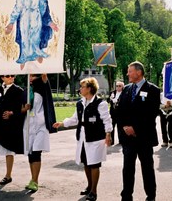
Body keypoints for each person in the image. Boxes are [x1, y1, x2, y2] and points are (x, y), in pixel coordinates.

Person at [53, 77, 112, 201]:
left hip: (96, 137)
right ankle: (89, 186)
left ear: (89, 89)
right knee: (86, 162)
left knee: (94, 163)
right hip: (83, 136)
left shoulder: (100, 103)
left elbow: (107, 119)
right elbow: (75, 119)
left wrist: (108, 134)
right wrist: (62, 123)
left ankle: (94, 191)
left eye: (82, 87)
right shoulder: (80, 103)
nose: (80, 89)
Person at [117, 61, 161, 201]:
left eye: (130, 71)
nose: (127, 74)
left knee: (147, 168)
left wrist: (135, 128)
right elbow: (120, 110)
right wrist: (125, 127)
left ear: (138, 72)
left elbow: (151, 113)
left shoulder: (153, 90)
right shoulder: (127, 89)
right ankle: (126, 195)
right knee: (127, 168)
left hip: (144, 137)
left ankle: (150, 196)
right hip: (128, 138)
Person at [5, 0, 59, 70]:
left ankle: (37, 54)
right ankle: (24, 58)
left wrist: (49, 22)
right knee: (25, 40)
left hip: (36, 19)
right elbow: (17, 8)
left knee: (35, 39)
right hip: (24, 20)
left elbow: (44, 9)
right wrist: (11, 22)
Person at [21, 74, 57, 192]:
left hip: (41, 125)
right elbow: (20, 109)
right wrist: (24, 109)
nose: (31, 78)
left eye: (34, 76)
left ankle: (35, 181)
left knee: (36, 152)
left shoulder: (43, 87)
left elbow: (45, 77)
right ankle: (33, 179)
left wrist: (41, 70)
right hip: (28, 125)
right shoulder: (26, 90)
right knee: (31, 153)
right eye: (29, 76)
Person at [108, 81, 124, 145]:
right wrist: (110, 98)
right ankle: (111, 141)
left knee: (120, 127)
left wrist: (116, 100)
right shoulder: (112, 92)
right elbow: (108, 101)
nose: (118, 87)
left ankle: (121, 141)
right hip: (113, 112)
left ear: (122, 87)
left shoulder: (124, 93)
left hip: (120, 113)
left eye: (119, 86)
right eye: (117, 86)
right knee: (111, 126)